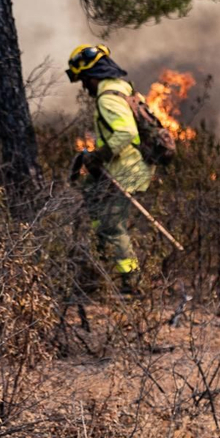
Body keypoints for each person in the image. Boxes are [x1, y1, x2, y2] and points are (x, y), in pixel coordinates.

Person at [65, 44, 152, 295]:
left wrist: (98, 156)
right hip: (131, 167)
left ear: (93, 76)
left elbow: (126, 132)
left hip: (125, 170)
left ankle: (132, 284)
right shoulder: (124, 90)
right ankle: (97, 272)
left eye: (84, 80)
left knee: (113, 226)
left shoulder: (107, 98)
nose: (84, 87)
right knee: (95, 207)